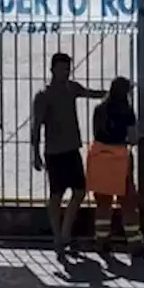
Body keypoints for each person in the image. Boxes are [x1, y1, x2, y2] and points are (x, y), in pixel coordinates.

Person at [31, 52, 107, 255]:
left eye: (67, 69)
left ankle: (65, 233)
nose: (65, 72)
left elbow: (92, 93)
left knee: (80, 191)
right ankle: (58, 236)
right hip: (54, 152)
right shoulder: (43, 96)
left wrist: (114, 92)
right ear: (52, 69)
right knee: (56, 195)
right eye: (61, 69)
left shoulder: (71, 88)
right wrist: (35, 152)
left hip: (72, 148)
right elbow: (36, 126)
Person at [87, 76, 144, 256]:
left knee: (103, 201)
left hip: (98, 156)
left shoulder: (99, 109)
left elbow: (96, 132)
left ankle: (101, 240)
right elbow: (133, 139)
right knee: (127, 201)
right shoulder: (127, 111)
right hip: (119, 157)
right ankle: (134, 242)